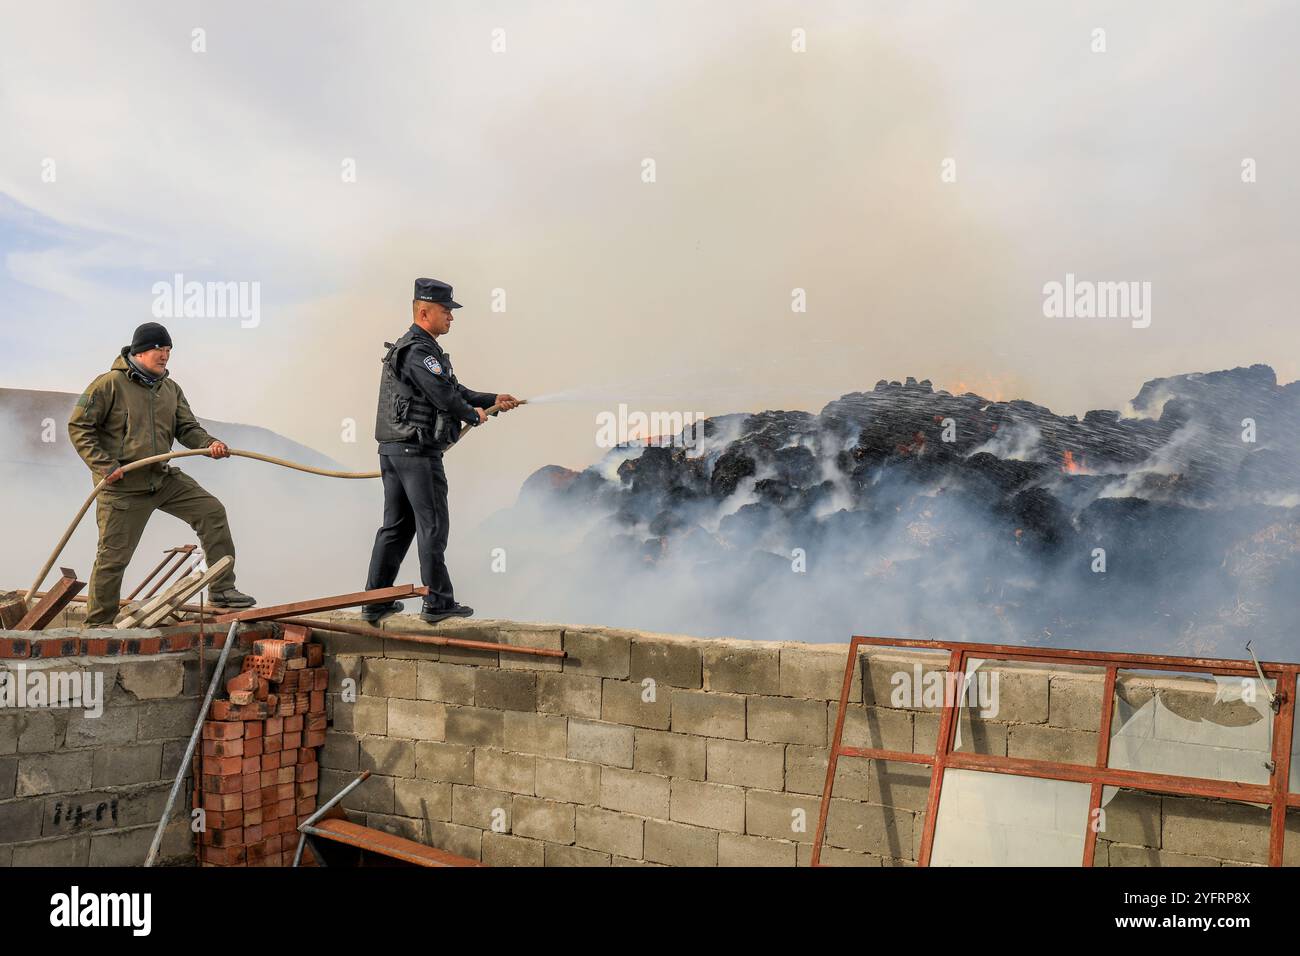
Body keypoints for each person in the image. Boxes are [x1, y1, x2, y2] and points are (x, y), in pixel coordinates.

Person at [68, 322, 256, 626]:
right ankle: (98, 625)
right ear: (140, 351)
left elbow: (187, 428)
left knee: (211, 511)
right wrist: (104, 465)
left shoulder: (170, 389)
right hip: (123, 487)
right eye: (160, 348)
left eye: (169, 349)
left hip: (162, 478)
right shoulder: (109, 385)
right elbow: (79, 427)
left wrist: (209, 443)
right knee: (113, 558)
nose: (165, 355)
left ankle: (222, 590)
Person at [363, 278, 519, 624]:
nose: (451, 317)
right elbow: (442, 394)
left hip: (395, 451)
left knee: (397, 527)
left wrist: (491, 400)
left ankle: (375, 601)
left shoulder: (417, 348)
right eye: (446, 310)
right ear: (424, 311)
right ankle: (437, 602)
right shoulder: (419, 350)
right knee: (432, 525)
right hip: (417, 454)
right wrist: (471, 415)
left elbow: (454, 388)